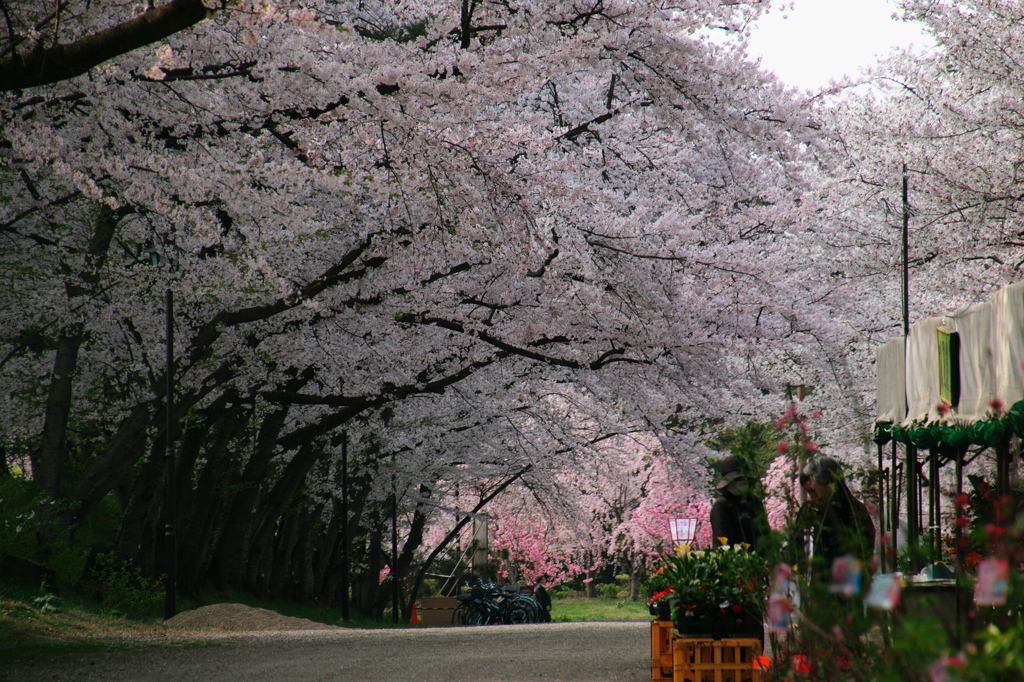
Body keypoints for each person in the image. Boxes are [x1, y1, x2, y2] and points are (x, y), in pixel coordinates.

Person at [801, 455, 875, 577]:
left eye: (813, 483)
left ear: (821, 480)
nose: (813, 488)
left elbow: (837, 549)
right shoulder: (853, 503)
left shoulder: (835, 506)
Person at [709, 454, 770, 551]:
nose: (741, 483)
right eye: (736, 480)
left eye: (743, 479)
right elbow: (723, 539)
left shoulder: (755, 501)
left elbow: (765, 533)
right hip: (733, 560)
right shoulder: (722, 505)